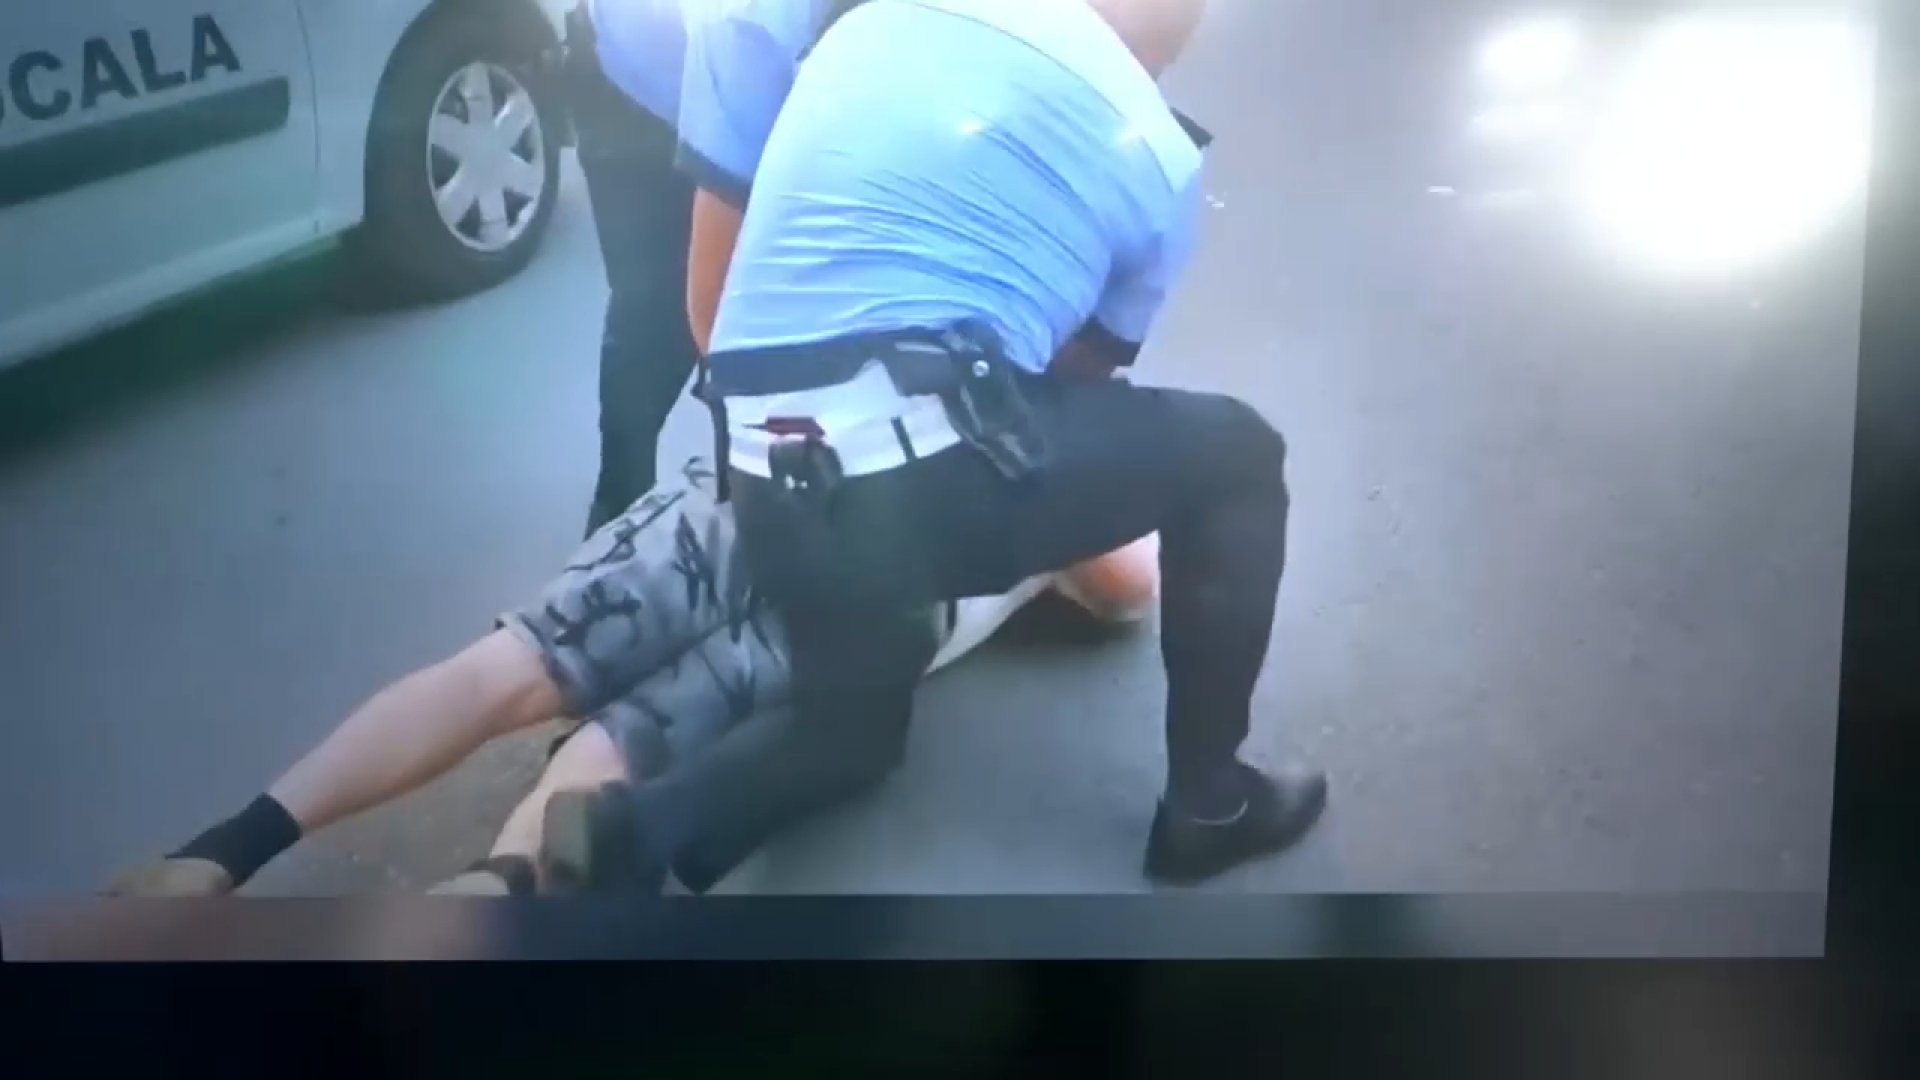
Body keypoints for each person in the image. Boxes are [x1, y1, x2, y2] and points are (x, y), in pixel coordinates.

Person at [544, 0, 1329, 895]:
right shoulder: (1157, 150)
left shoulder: (883, 24)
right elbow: (1066, 385)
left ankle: (629, 833)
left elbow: (732, 292)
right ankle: (1209, 807)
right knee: (1238, 458)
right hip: (915, 466)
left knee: (851, 738)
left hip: (764, 466)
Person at [105, 459, 1159, 897]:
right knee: (630, 740)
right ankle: (489, 893)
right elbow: (1127, 584)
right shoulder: (1068, 438)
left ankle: (219, 854)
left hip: (749, 490)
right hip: (870, 600)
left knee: (510, 667)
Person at [567, 0, 867, 533]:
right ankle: (620, 508)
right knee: (657, 308)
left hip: (775, 74)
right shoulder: (751, 24)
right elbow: (719, 318)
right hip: (637, 86)